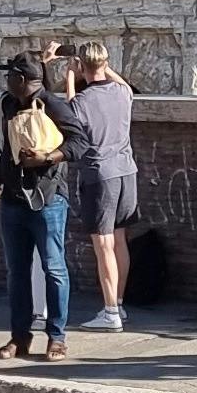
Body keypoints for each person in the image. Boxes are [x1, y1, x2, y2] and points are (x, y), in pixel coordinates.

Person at [0, 52, 71, 360]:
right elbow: (1, 149)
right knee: (17, 272)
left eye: (9, 76)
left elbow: (81, 141)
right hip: (14, 200)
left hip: (48, 198)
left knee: (53, 268)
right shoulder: (7, 104)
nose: (6, 81)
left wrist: (47, 158)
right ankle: (19, 336)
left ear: (22, 79)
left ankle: (56, 337)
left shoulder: (54, 105)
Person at [65, 38, 137, 330]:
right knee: (119, 239)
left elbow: (69, 113)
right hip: (126, 172)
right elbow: (126, 86)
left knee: (103, 243)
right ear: (106, 64)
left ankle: (109, 314)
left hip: (100, 174)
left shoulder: (82, 101)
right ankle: (118, 305)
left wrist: (70, 75)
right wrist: (104, 68)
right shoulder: (122, 93)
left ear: (83, 66)